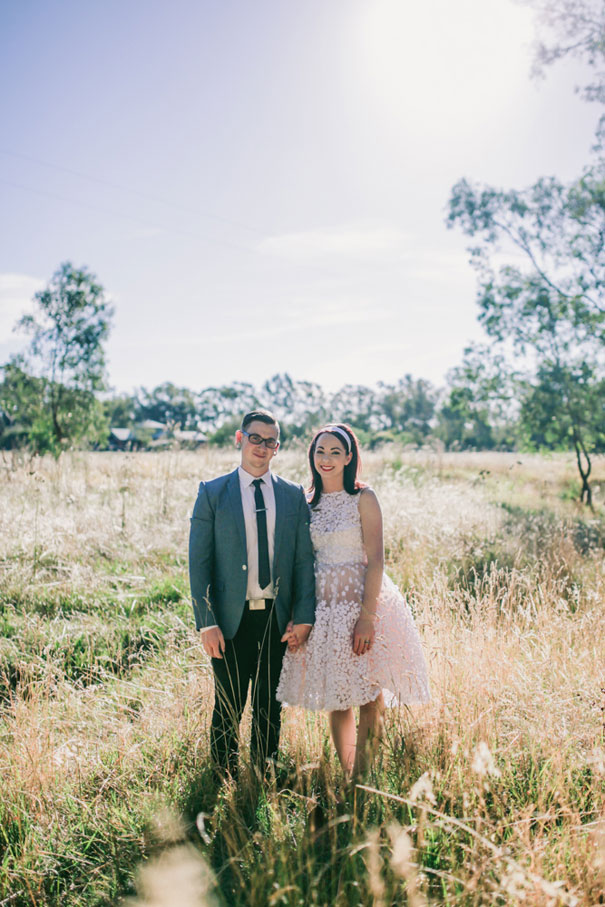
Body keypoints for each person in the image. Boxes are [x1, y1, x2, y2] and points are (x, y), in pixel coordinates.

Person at [277, 423, 430, 778]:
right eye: (320, 451)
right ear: (312, 457)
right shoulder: (305, 502)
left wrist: (367, 615)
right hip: (323, 606)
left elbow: (376, 558)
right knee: (338, 693)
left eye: (334, 452)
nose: (326, 459)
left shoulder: (364, 498)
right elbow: (299, 561)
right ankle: (348, 774)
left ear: (349, 457)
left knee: (369, 693)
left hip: (362, 600)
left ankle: (365, 774)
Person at [189, 409, 315, 779]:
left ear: (277, 448)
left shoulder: (292, 496)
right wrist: (206, 621)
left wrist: (303, 616)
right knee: (227, 704)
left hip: (275, 618)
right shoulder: (213, 493)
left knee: (267, 706)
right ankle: (222, 780)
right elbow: (200, 563)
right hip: (229, 620)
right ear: (240, 439)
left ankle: (264, 776)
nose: (262, 447)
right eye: (255, 438)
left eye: (270, 441)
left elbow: (303, 561)